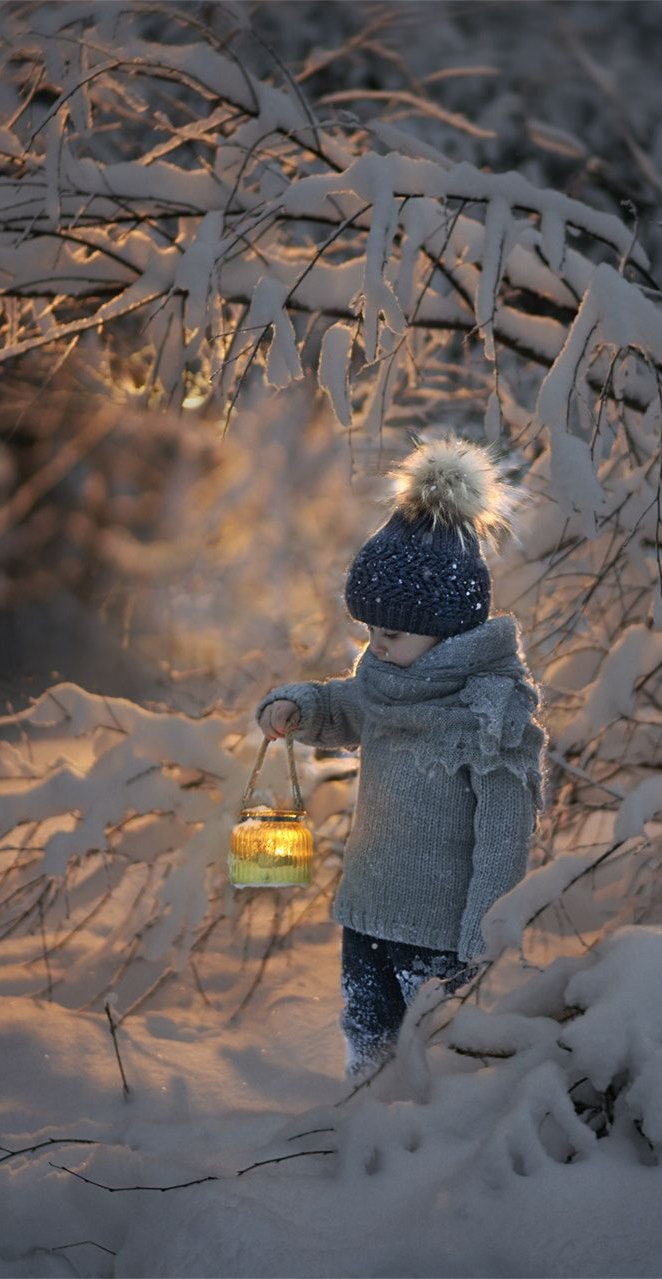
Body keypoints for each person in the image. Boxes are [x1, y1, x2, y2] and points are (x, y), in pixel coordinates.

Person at [256, 437, 547, 1080]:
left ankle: (422, 1150)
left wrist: (482, 933)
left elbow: (504, 837)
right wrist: (296, 708)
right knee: (368, 1039)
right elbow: (343, 707)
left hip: (441, 933)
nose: (375, 647)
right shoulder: (387, 685)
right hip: (367, 913)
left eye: (390, 633)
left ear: (448, 630)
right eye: (369, 632)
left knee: (431, 1059)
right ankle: (367, 1131)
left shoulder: (489, 714)